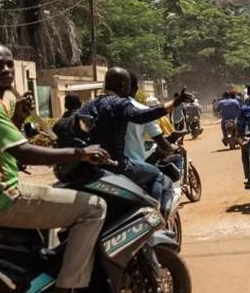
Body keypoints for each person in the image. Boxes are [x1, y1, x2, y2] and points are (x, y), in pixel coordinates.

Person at [0, 43, 110, 293]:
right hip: (1, 197)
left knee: (53, 195)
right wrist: (80, 153)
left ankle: (42, 279)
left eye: (9, 64)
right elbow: (22, 151)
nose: (5, 70)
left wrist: (16, 118)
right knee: (94, 207)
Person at [78, 67, 191, 212]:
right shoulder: (120, 104)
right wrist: (175, 103)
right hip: (119, 165)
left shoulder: (88, 106)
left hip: (94, 167)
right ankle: (154, 216)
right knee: (160, 178)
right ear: (124, 85)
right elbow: (142, 116)